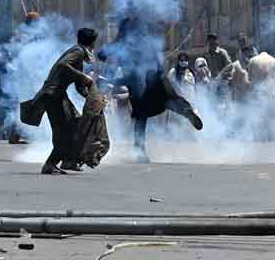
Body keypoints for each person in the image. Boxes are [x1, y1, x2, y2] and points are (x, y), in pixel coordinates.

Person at [107, 19, 203, 163]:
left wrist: (115, 81)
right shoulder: (148, 43)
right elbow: (158, 65)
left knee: (140, 116)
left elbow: (107, 58)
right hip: (157, 79)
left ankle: (140, 151)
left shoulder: (126, 47)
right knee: (170, 100)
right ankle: (187, 111)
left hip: (139, 84)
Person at [24, 28, 98, 174]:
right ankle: (51, 164)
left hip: (58, 95)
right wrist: (84, 77)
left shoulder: (79, 55)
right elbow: (62, 65)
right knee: (64, 131)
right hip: (53, 95)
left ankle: (68, 161)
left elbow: (79, 86)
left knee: (75, 124)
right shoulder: (78, 52)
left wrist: (93, 97)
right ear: (91, 43)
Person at [243, 48, 275, 142]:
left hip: (258, 95)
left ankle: (259, 149)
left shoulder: (253, 60)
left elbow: (250, 78)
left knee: (258, 125)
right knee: (273, 123)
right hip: (272, 95)